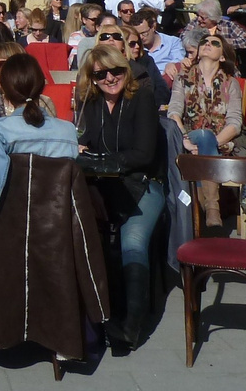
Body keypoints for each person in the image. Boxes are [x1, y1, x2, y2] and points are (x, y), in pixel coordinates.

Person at [76, 43, 165, 351]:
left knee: (132, 243)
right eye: (101, 74)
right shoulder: (91, 102)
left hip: (143, 184)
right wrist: (82, 150)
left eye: (115, 71)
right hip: (105, 184)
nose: (109, 78)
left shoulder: (141, 97)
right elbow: (84, 142)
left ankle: (131, 327)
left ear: (125, 71)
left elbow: (143, 154)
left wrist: (105, 160)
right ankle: (91, 316)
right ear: (92, 78)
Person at [0, 54, 79, 213]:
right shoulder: (68, 131)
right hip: (56, 226)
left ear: (4, 90)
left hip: (9, 228)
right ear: (42, 86)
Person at [168, 30, 243, 225]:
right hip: (188, 138)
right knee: (201, 134)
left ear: (223, 55)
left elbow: (234, 123)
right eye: (204, 42)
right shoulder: (182, 78)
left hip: (219, 142)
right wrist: (185, 139)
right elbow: (174, 113)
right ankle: (211, 207)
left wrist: (209, 142)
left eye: (215, 43)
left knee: (205, 136)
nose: (208, 44)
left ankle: (201, 210)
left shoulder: (231, 84)